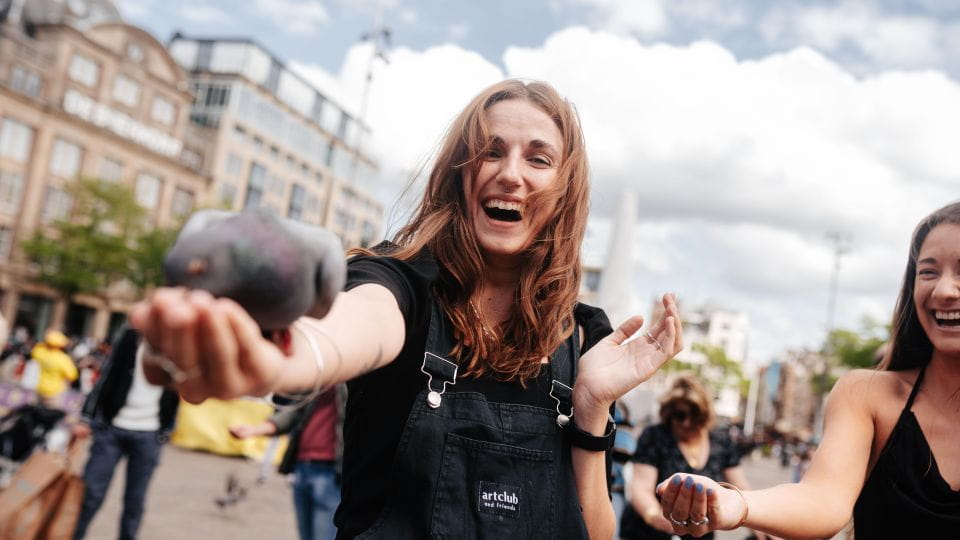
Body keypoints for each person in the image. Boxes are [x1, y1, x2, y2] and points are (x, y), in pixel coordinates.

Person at [130, 79, 684, 539]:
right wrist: (278, 358)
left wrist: (591, 408)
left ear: (564, 191)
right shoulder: (399, 282)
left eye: (538, 159)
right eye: (491, 151)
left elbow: (597, 533)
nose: (510, 173)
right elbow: (347, 330)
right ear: (460, 172)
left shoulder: (584, 337)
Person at [658, 201, 960, 539]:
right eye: (928, 272)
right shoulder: (866, 394)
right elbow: (822, 498)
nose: (944, 290)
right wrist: (736, 504)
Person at [619, 375, 765, 540]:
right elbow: (641, 488)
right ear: (669, 413)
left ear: (705, 415)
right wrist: (656, 516)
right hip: (648, 533)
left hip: (700, 533)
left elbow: (741, 489)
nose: (687, 423)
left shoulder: (721, 441)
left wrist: (758, 526)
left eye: (695, 415)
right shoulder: (655, 436)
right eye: (680, 415)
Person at [71, 326, 180, 540]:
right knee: (90, 493)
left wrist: (167, 429)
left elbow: (182, 388)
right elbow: (107, 374)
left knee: (134, 501)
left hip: (150, 433)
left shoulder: (179, 344)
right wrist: (86, 417)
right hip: (111, 428)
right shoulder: (130, 337)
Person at [229, 385, 345, 540]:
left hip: (331, 471)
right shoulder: (319, 381)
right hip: (302, 466)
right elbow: (294, 412)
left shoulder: (351, 380)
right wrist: (255, 430)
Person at [30, 329, 78, 405]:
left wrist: (46, 341)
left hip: (40, 388)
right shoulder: (63, 359)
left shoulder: (41, 353)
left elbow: (35, 350)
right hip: (55, 392)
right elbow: (72, 375)